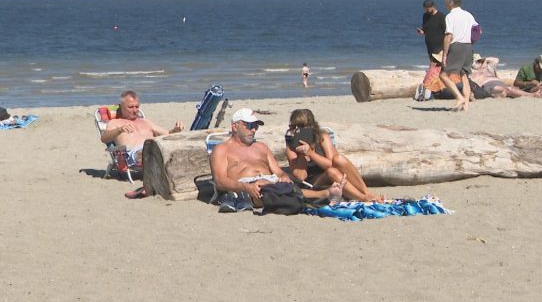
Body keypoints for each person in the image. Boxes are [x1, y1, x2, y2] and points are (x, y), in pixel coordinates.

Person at [210, 108, 343, 212]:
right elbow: (220, 181)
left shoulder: (261, 147)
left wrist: (283, 176)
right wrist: (246, 187)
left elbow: (278, 172)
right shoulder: (221, 150)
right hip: (249, 186)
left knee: (285, 186)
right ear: (235, 126)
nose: (254, 130)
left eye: (256, 126)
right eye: (249, 126)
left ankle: (323, 194)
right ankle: (322, 195)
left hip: (271, 182)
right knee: (275, 192)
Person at [284, 108, 383, 202]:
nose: (296, 131)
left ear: (310, 127)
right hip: (313, 183)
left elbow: (332, 163)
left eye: (301, 127)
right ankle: (363, 198)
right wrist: (302, 155)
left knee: (339, 159)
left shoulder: (322, 136)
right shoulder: (291, 146)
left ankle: (366, 192)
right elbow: (300, 177)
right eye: (293, 127)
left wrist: (311, 153)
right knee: (332, 172)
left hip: (332, 173)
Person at [101, 90, 183, 167]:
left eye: (137, 107)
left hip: (154, 149)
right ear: (121, 106)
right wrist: (119, 130)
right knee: (154, 152)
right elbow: (104, 138)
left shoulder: (146, 122)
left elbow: (168, 135)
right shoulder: (115, 123)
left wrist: (175, 130)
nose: (135, 110)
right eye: (130, 107)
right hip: (135, 154)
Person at [439, 0, 477, 111]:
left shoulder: (450, 16)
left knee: (443, 75)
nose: (444, 2)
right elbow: (478, 29)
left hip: (457, 46)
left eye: (446, 0)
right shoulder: (468, 14)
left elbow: (448, 36)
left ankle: (459, 97)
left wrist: (444, 54)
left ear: (450, 1)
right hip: (468, 46)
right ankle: (466, 105)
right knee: (464, 76)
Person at [469, 54, 538, 99]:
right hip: (487, 85)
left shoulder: (488, 68)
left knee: (509, 87)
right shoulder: (471, 73)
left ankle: (534, 91)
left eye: (479, 61)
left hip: (498, 82)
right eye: (476, 62)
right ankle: (532, 95)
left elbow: (496, 60)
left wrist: (485, 60)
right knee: (506, 89)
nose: (478, 63)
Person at [416, 0, 446, 66]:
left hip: (439, 46)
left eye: (428, 9)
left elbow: (446, 31)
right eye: (425, 9)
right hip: (429, 45)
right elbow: (425, 29)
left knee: (438, 64)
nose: (426, 11)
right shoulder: (425, 16)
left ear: (433, 7)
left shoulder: (441, 17)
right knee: (432, 62)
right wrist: (422, 31)